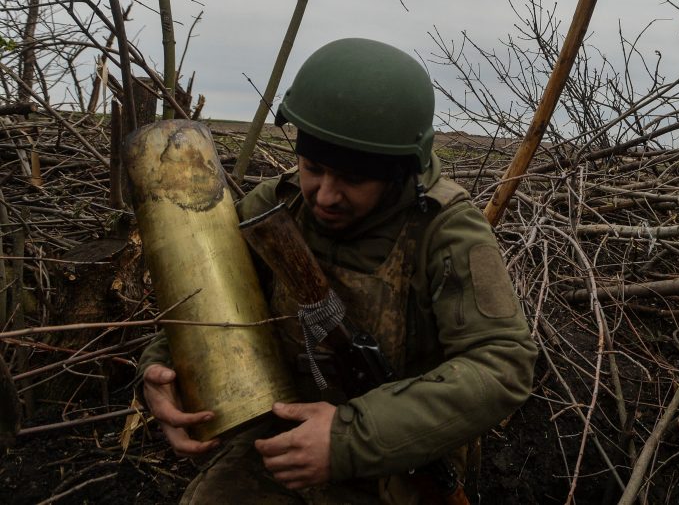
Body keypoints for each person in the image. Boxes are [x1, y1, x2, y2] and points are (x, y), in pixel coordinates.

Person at [138, 38, 538, 504]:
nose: (325, 195)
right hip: (283, 437)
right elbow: (211, 306)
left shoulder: (446, 231)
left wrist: (348, 437)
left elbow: (504, 364)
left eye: (352, 178)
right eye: (313, 168)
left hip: (402, 455)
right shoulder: (274, 206)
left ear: (398, 172)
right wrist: (161, 369)